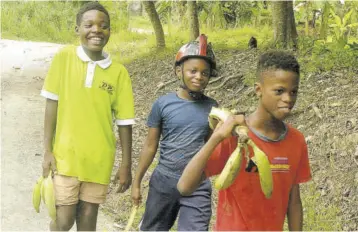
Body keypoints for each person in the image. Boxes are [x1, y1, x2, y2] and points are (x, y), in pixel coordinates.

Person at [177, 50, 312, 231]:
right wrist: (216, 137)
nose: (288, 99)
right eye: (279, 91)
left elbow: (294, 201)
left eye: (293, 91)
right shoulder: (235, 136)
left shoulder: (296, 141)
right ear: (258, 90)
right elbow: (185, 187)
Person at [40, 2, 135, 231]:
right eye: (89, 25)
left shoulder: (118, 73)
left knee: (88, 219)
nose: (97, 30)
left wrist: (126, 165)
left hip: (99, 161)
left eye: (104, 26)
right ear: (77, 29)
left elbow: (124, 122)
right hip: (65, 157)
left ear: (110, 31)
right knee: (63, 220)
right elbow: (52, 104)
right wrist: (47, 150)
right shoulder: (64, 58)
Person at [131, 34, 218, 231]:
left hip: (197, 184)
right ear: (179, 71)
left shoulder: (213, 108)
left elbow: (211, 147)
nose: (199, 76)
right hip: (164, 181)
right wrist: (137, 182)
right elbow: (150, 145)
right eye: (193, 71)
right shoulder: (163, 104)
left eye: (205, 73)